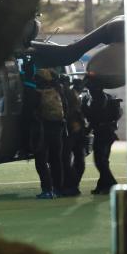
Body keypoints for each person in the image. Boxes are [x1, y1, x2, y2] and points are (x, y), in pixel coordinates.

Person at [32, 68, 66, 199]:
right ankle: (58, 189)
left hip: (43, 130)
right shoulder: (59, 92)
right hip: (58, 130)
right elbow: (66, 110)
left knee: (41, 161)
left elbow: (32, 112)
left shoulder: (37, 94)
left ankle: (47, 189)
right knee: (56, 160)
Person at [84, 81, 121, 195]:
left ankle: (113, 185)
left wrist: (84, 106)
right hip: (109, 133)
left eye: (90, 89)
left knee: (100, 161)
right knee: (103, 160)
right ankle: (103, 186)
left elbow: (93, 117)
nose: (89, 91)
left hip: (102, 134)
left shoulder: (98, 100)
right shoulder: (108, 97)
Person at [60, 77, 88, 196]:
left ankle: (70, 184)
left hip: (71, 131)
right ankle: (74, 184)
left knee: (65, 158)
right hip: (79, 130)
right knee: (79, 158)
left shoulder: (66, 93)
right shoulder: (76, 94)